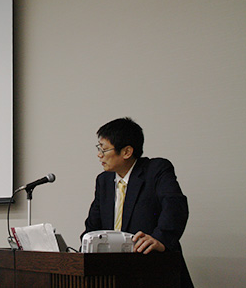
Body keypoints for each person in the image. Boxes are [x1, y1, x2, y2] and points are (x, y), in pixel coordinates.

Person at [82, 117, 193, 287]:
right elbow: (93, 225)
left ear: (127, 152)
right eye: (99, 148)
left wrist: (160, 239)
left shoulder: (156, 170)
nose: (99, 155)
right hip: (113, 276)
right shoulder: (103, 181)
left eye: (104, 149)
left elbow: (175, 206)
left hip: (154, 271)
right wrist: (85, 246)